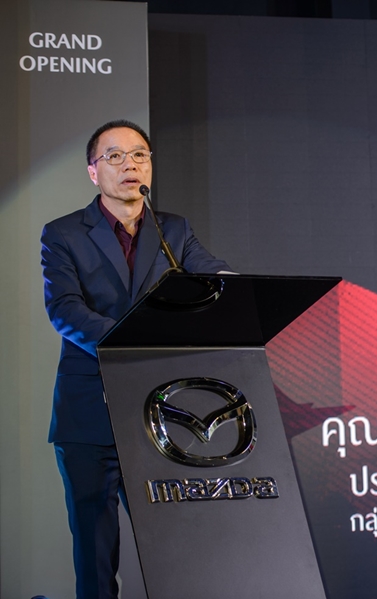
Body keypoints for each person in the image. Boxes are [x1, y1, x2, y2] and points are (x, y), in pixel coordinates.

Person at [41, 120, 231, 598]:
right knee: (95, 548)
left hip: (157, 410)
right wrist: (132, 339)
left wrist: (237, 288)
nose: (130, 164)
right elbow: (64, 310)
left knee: (173, 544)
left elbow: (211, 276)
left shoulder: (173, 229)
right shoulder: (63, 233)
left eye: (140, 155)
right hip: (90, 412)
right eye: (115, 156)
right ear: (93, 171)